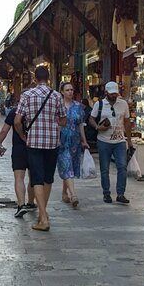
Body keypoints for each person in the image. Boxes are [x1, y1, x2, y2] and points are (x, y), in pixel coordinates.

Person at [14, 65, 67, 231]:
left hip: (34, 142)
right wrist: (53, 122)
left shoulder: (27, 95)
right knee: (47, 178)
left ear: (34, 79)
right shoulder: (57, 95)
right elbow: (63, 120)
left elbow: (17, 121)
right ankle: (43, 213)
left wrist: (23, 135)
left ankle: (43, 217)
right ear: (49, 78)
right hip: (52, 142)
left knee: (36, 178)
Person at [89, 81, 132, 205]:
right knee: (104, 169)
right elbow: (91, 118)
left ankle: (120, 193)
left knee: (122, 167)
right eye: (112, 93)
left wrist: (129, 140)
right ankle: (106, 193)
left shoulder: (123, 104)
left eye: (115, 93)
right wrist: (97, 127)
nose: (114, 96)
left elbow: (127, 121)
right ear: (106, 92)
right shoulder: (100, 104)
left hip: (119, 141)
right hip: (104, 141)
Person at [0, 86, 35, 218]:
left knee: (19, 177)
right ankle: (31, 203)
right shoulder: (35, 112)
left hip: (19, 148)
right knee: (33, 177)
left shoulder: (14, 112)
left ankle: (21, 204)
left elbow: (4, 130)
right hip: (34, 147)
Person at [57, 81, 89, 209]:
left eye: (71, 90)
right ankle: (73, 195)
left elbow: (80, 124)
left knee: (69, 166)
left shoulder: (78, 106)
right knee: (66, 164)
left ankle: (65, 192)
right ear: (62, 92)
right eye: (67, 90)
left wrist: (84, 140)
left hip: (74, 141)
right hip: (61, 141)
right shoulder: (58, 106)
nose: (70, 92)